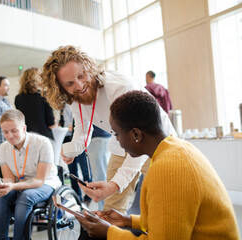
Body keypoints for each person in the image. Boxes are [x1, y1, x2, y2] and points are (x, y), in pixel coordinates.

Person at [76, 90, 240, 240]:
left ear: (136, 134)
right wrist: (127, 220)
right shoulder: (174, 149)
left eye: (117, 134)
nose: (117, 141)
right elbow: (172, 218)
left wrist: (109, 232)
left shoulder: (169, 169)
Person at [41, 45, 176, 213]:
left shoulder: (120, 87)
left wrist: (115, 185)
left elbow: (139, 139)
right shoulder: (74, 97)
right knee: (111, 208)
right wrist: (74, 148)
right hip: (122, 141)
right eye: (69, 83)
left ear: (88, 67)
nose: (80, 85)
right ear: (61, 88)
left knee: (161, 203)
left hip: (154, 142)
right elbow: (83, 128)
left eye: (81, 75)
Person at [0, 109, 61, 240]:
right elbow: (9, 178)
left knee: (26, 196)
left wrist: (12, 186)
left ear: (24, 128)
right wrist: (0, 183)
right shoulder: (3, 147)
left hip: (46, 183)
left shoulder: (43, 143)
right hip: (18, 184)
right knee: (0, 196)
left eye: (14, 131)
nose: (10, 136)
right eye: (5, 132)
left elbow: (39, 180)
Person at [15, 67, 55, 140]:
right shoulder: (44, 96)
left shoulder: (18, 98)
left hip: (26, 138)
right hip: (44, 137)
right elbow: (51, 123)